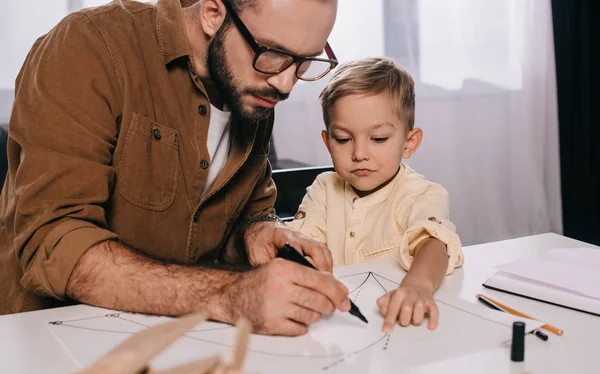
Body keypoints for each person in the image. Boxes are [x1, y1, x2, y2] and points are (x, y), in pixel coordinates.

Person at [0, 0, 351, 337]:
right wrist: (229, 295)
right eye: (273, 54)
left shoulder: (253, 85)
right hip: (48, 343)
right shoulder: (90, 46)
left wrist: (255, 234)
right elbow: (55, 244)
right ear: (213, 13)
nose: (286, 84)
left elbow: (232, 218)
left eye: (304, 62)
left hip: (174, 339)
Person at [286, 57, 464, 333]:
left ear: (409, 142)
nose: (359, 154)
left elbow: (434, 245)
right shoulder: (324, 187)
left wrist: (418, 286)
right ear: (328, 143)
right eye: (344, 140)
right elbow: (300, 246)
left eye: (378, 139)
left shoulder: (423, 194)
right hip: (336, 326)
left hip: (396, 324)